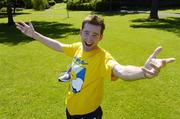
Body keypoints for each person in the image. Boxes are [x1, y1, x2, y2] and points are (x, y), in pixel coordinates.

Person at [16, 15, 175, 119]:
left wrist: (143, 72)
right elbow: (58, 45)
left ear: (101, 37)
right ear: (80, 32)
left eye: (94, 35)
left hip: (88, 114)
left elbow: (121, 71)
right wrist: (34, 35)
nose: (89, 38)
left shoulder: (103, 57)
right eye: (86, 33)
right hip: (70, 108)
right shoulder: (78, 47)